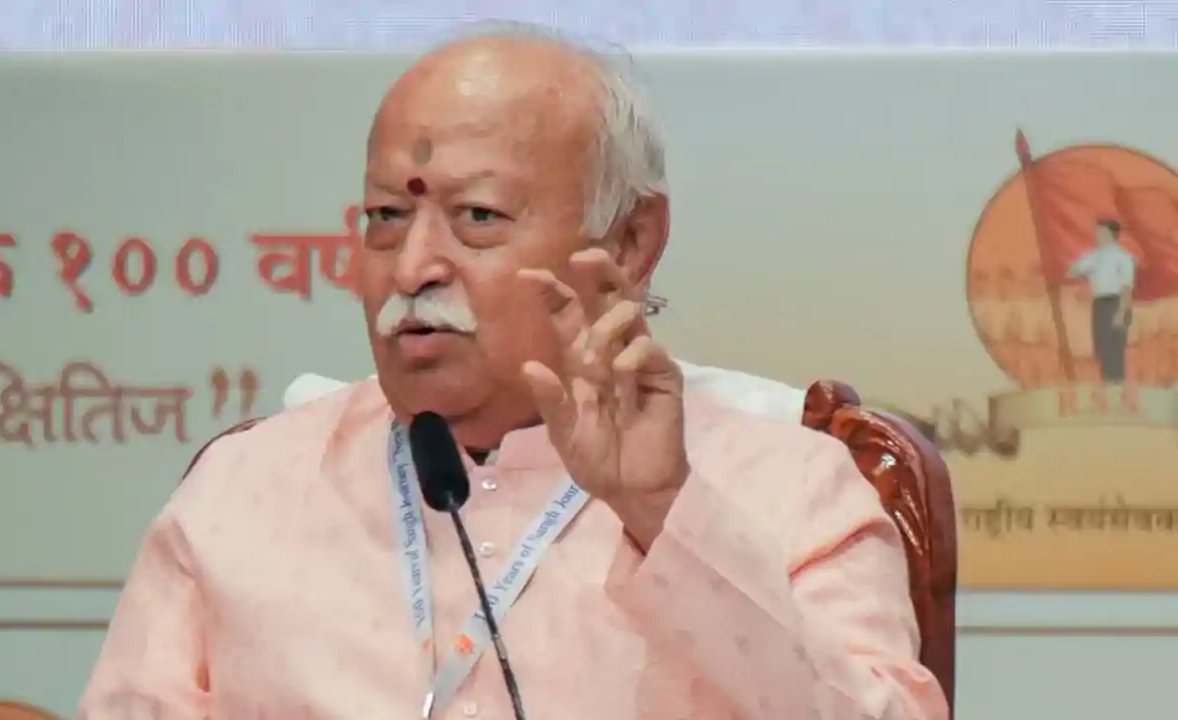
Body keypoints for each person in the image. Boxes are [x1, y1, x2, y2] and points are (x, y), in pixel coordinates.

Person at [80, 26, 948, 720]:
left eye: (478, 216)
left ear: (629, 241)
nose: (412, 266)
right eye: (385, 216)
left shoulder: (791, 490)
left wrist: (665, 513)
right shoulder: (244, 489)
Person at [1067, 218, 1136, 383]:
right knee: (1101, 346)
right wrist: (1086, 275)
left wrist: (1122, 311)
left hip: (1116, 303)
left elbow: (1126, 287)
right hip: (1099, 304)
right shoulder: (1093, 256)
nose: (1096, 234)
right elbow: (1072, 271)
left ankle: (1116, 386)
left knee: (1115, 347)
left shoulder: (1123, 257)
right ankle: (1107, 383)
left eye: (1099, 231)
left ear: (1108, 233)